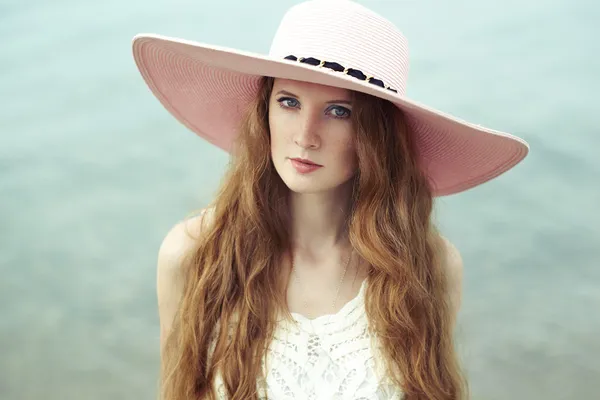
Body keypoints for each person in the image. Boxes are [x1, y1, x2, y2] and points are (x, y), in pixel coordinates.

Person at [131, 1, 529, 399]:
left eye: (339, 111)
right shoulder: (194, 255)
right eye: (289, 102)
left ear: (376, 136)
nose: (306, 135)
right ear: (263, 111)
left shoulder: (429, 266)